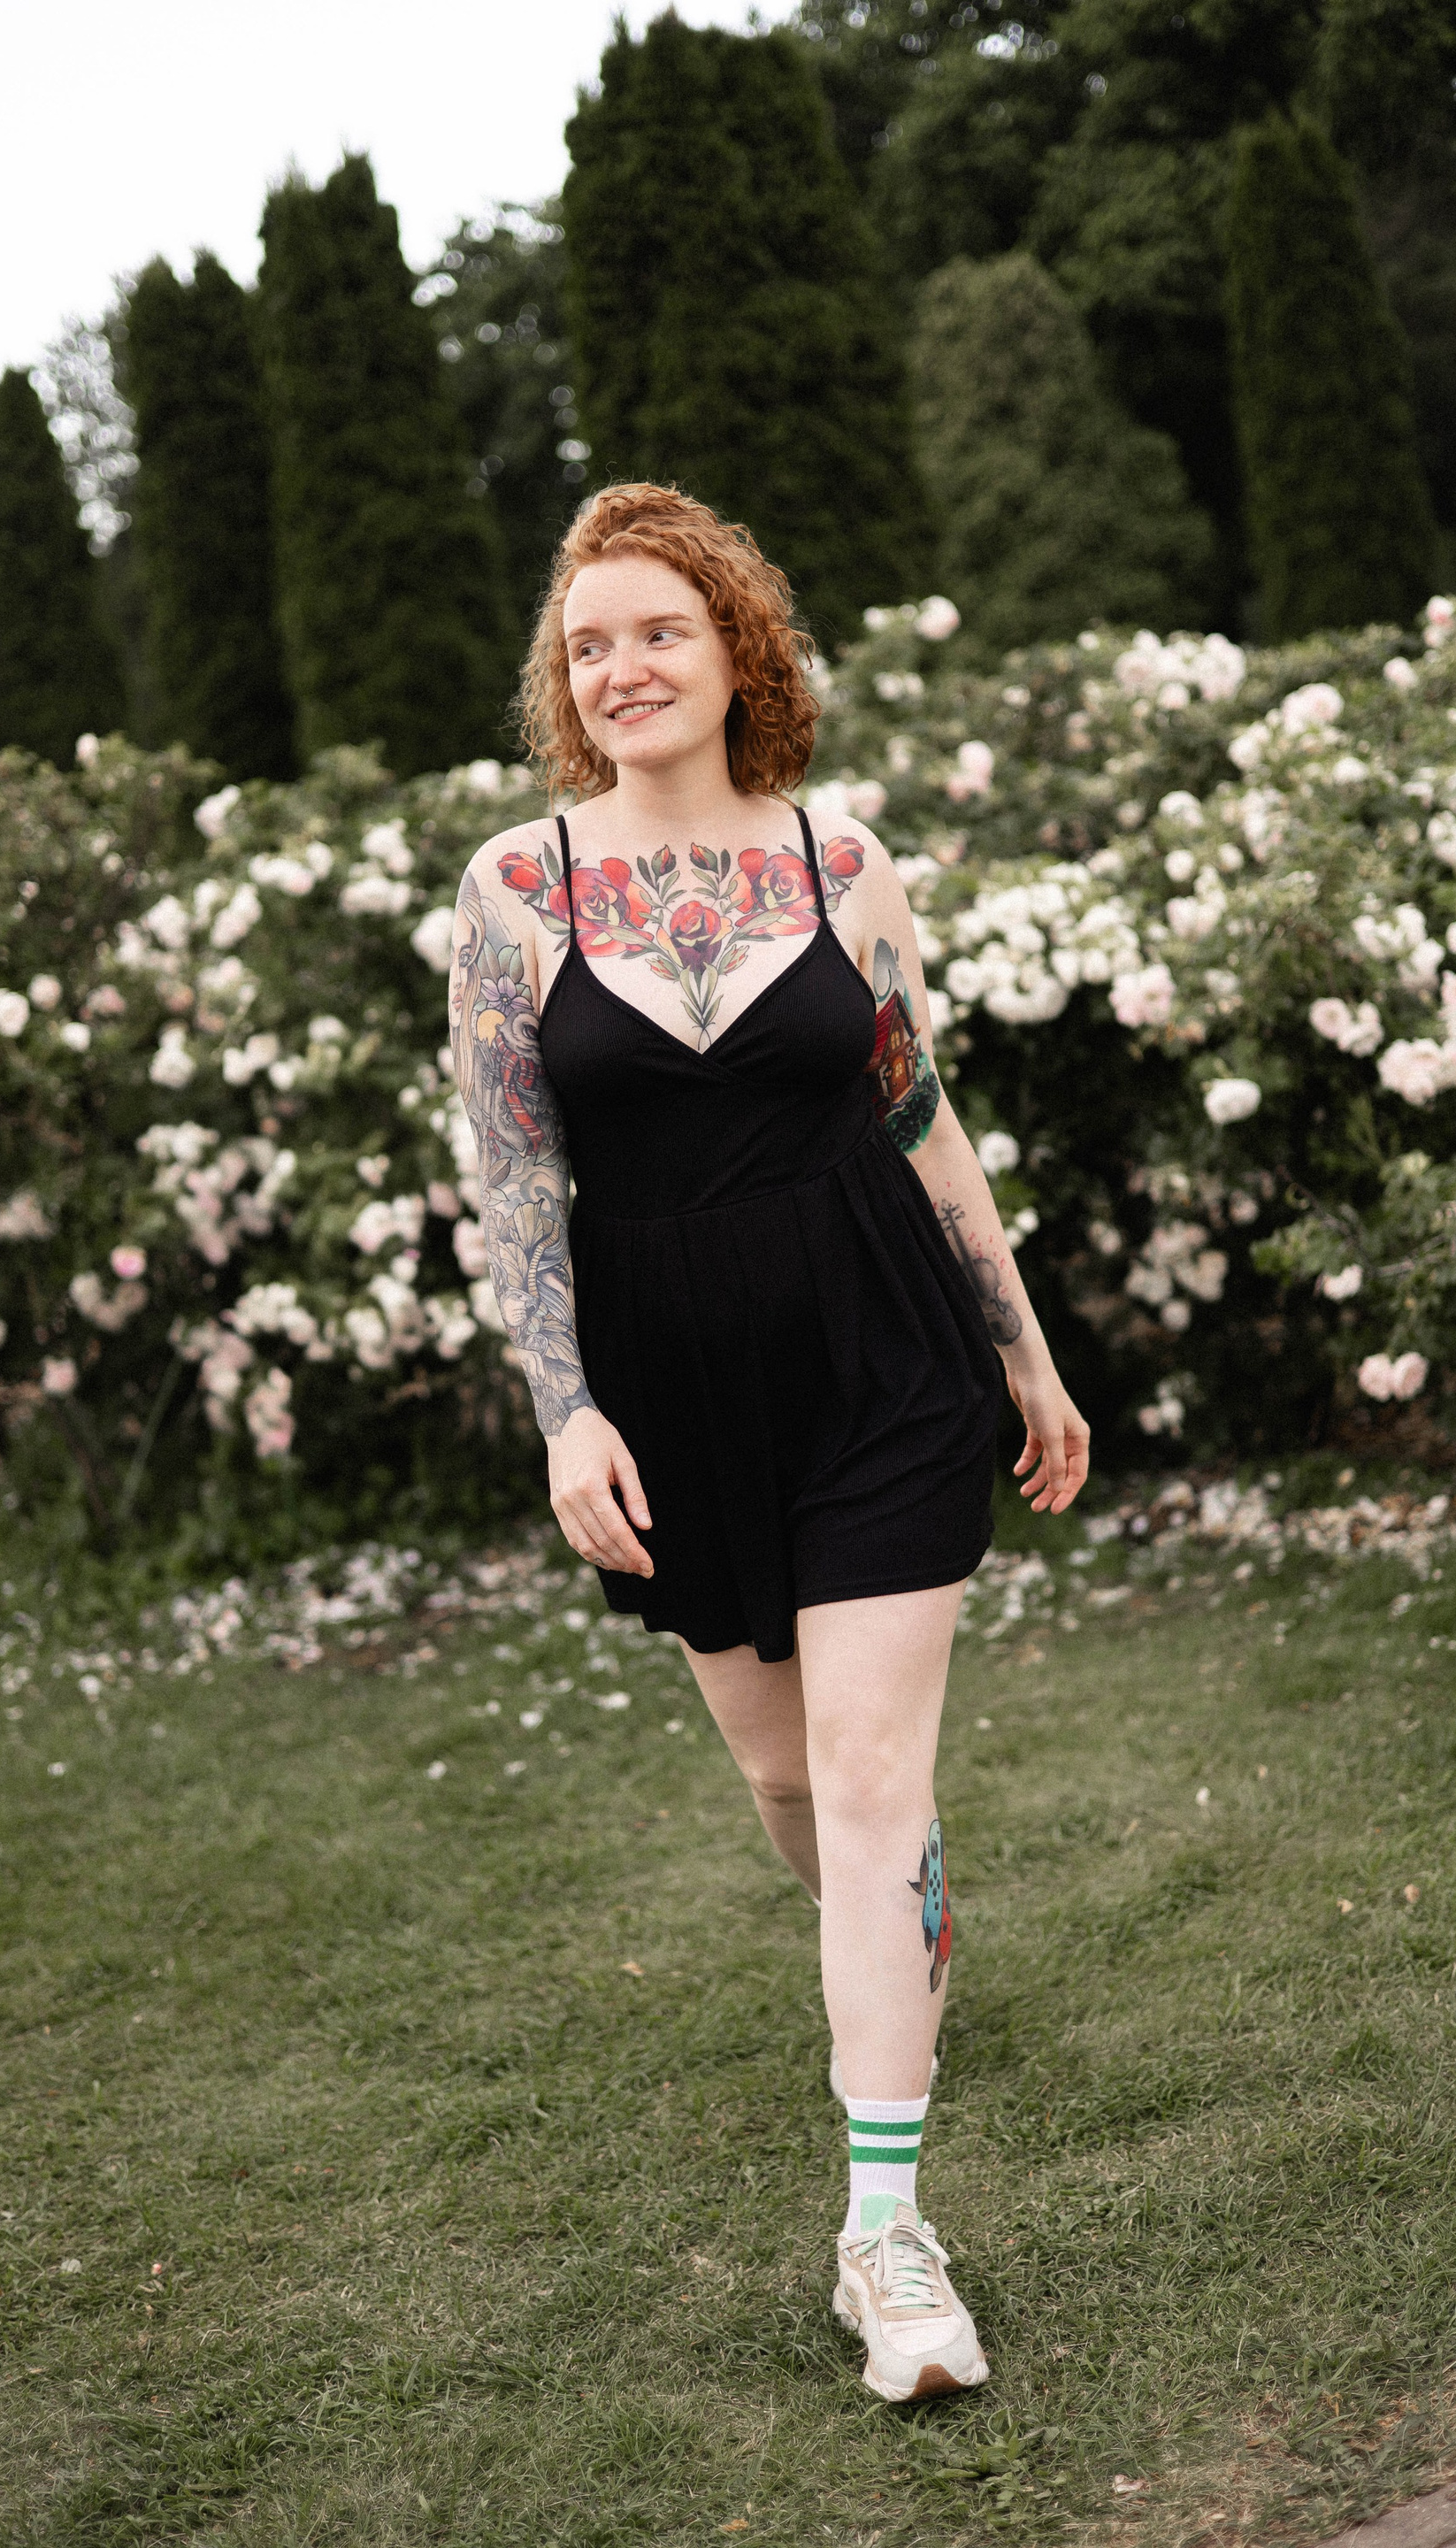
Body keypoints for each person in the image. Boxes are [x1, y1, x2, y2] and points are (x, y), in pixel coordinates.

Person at [448, 482, 1088, 2403]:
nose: (623, 668)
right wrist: (565, 1411)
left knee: (874, 1775)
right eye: (588, 645)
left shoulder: (839, 859)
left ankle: (885, 2242)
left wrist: (1027, 1358)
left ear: (737, 649)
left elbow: (918, 1115)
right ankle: (898, 1934)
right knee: (795, 1789)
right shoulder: (517, 890)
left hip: (881, 1349)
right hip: (672, 1390)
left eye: (660, 630)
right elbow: (514, 1177)